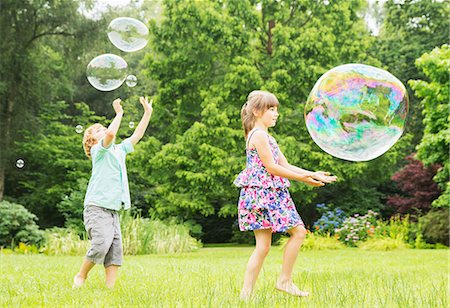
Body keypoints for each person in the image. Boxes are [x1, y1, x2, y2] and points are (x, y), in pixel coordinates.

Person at [234, 90, 337, 299]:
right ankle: (284, 281)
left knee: (263, 247)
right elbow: (271, 167)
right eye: (271, 109)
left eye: (276, 110)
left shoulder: (265, 136)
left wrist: (311, 173)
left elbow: (285, 164)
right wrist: (303, 179)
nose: (275, 113)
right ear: (256, 111)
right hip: (265, 195)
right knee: (298, 232)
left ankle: (246, 295)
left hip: (264, 194)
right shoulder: (259, 135)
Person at [73, 96, 153, 289]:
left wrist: (147, 113)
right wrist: (119, 113)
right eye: (99, 130)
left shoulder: (119, 150)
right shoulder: (98, 152)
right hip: (97, 207)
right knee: (101, 244)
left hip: (112, 210)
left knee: (115, 249)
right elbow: (109, 134)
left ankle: (110, 289)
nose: (105, 131)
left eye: (103, 127)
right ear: (92, 141)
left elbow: (137, 135)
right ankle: (81, 275)